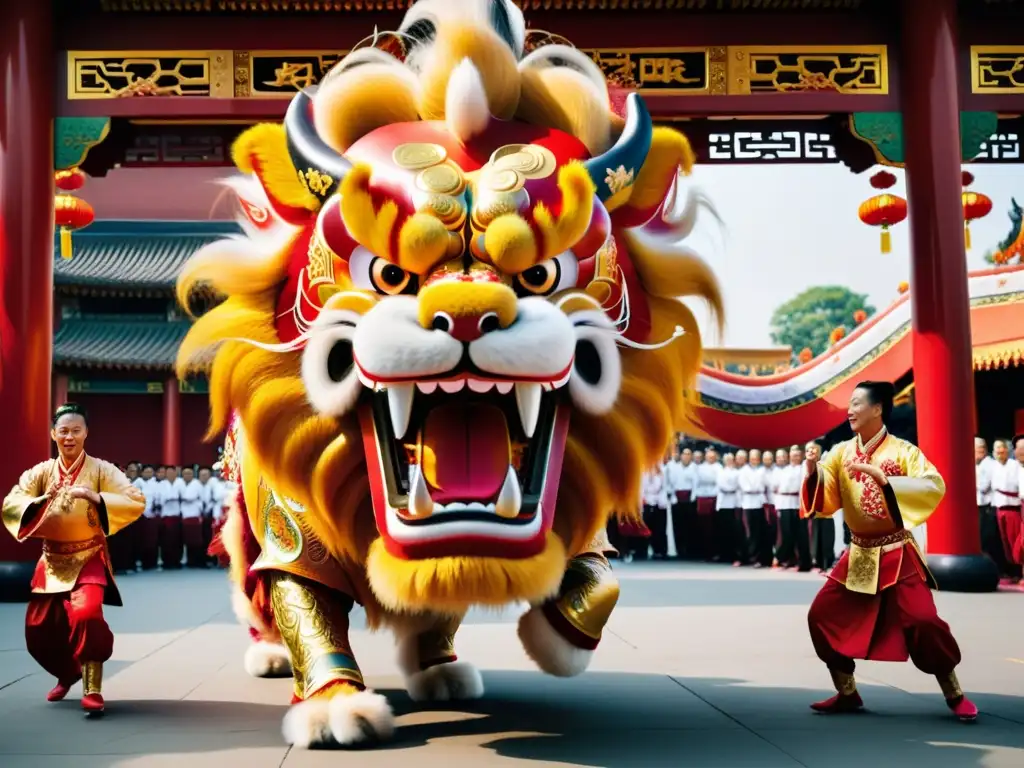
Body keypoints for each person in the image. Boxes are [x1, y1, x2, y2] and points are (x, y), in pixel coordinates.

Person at [800, 381, 977, 722]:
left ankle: (954, 693)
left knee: (924, 621)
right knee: (820, 616)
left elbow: (932, 484)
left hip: (897, 551)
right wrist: (811, 473)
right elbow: (827, 495)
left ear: (877, 408)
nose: (849, 410)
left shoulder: (904, 451)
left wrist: (885, 481)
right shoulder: (840, 452)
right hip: (859, 554)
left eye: (856, 403)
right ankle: (847, 692)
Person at [1, 403, 145, 714]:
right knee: (38, 631)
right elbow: (13, 501)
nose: (69, 437)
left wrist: (97, 497)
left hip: (88, 556)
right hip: (51, 560)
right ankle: (67, 673)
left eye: (76, 431)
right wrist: (40, 502)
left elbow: (135, 499)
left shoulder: (102, 470)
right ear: (53, 434)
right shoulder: (41, 472)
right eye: (63, 431)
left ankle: (93, 688)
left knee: (88, 614)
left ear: (86, 433)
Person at [775, 445, 811, 571]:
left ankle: (804, 563)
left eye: (797, 455)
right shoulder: (784, 470)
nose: (795, 458)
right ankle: (786, 559)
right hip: (785, 504)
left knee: (801, 534)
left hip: (798, 504)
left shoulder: (803, 469)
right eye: (792, 456)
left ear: (801, 456)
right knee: (786, 533)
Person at [990, 438, 1021, 584]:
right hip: (998, 508)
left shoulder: (1015, 466)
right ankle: (1007, 571)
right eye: (997, 450)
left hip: (1013, 508)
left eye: (1002, 449)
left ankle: (1017, 571)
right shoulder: (993, 466)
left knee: (1015, 541)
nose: (999, 453)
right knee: (1003, 542)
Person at [806, 441, 836, 572]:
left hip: (828, 508)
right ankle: (818, 563)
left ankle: (827, 563)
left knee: (827, 537)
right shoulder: (811, 468)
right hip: (816, 508)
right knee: (817, 537)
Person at [974, 437, 1003, 572]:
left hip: (988, 507)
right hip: (978, 506)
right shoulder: (977, 465)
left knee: (988, 539)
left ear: (982, 449)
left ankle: (996, 569)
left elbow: (984, 486)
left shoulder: (990, 464)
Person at [665, 447, 698, 560]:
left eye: (689, 454)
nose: (686, 456)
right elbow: (669, 482)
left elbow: (695, 483)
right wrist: (672, 495)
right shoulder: (674, 467)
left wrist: (693, 497)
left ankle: (690, 550)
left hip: (689, 499)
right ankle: (679, 550)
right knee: (677, 525)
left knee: (690, 526)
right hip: (677, 499)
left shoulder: (694, 467)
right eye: (684, 454)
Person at [738, 449, 769, 567]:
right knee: (749, 532)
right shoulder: (744, 471)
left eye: (756, 458)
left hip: (759, 502)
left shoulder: (762, 470)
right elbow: (745, 486)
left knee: (759, 531)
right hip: (747, 503)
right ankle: (749, 556)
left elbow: (763, 484)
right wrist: (754, 488)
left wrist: (755, 488)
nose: (754, 460)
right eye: (752, 458)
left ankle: (759, 558)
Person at [695, 448, 721, 561]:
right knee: (703, 526)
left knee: (715, 526)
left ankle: (715, 552)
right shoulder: (700, 468)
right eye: (709, 457)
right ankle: (705, 553)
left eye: (712, 457)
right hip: (702, 497)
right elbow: (697, 481)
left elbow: (718, 482)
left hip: (714, 496)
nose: (710, 459)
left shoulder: (719, 467)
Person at [715, 452, 742, 565]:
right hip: (723, 503)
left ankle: (733, 555)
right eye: (728, 460)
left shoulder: (737, 472)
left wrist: (731, 488)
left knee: (733, 531)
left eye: (731, 460)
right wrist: (729, 488)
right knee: (723, 530)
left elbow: (738, 485)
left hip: (733, 502)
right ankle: (723, 554)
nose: (729, 462)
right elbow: (720, 485)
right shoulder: (720, 472)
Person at [157, 465, 185, 569]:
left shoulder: (180, 482)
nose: (170, 474)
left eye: (172, 472)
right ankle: (166, 562)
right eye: (167, 473)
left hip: (177, 516)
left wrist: (174, 498)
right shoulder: (162, 484)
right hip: (166, 516)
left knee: (177, 541)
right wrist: (169, 498)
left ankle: (177, 561)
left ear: (175, 473)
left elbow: (184, 496)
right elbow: (159, 498)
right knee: (166, 541)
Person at [641, 464, 670, 559]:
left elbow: (664, 487)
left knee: (660, 528)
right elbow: (641, 487)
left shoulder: (662, 471)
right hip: (647, 501)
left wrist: (662, 500)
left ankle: (660, 551)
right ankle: (644, 550)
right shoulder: (643, 471)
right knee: (646, 528)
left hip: (659, 502)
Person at [135, 465, 161, 570]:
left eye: (151, 472)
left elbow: (158, 497)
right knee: (142, 540)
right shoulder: (137, 482)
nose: (149, 474)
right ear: (142, 473)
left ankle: (152, 562)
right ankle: (142, 562)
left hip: (152, 515)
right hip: (140, 515)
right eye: (146, 472)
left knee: (153, 540)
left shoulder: (156, 483)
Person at [180, 466, 206, 568]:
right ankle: (189, 561)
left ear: (193, 475)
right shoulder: (180, 483)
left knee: (197, 541)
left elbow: (198, 498)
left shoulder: (196, 484)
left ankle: (198, 561)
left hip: (195, 515)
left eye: (189, 474)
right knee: (188, 540)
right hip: (185, 516)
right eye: (185, 474)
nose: (187, 476)